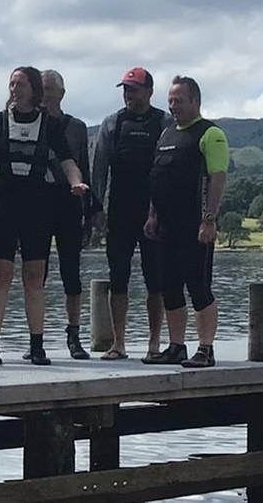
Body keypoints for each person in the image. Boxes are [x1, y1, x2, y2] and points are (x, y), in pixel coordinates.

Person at [0, 66, 88, 366]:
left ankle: (37, 346)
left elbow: (68, 162)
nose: (14, 89)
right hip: (3, 203)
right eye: (11, 84)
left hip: (36, 205)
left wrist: (76, 183)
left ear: (34, 90)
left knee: (33, 277)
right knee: (0, 275)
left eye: (21, 84)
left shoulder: (50, 125)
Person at [143, 76, 229, 368]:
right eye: (170, 100)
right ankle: (176, 346)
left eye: (179, 100)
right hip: (166, 225)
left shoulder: (210, 134)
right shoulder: (166, 135)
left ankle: (206, 348)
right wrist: (152, 215)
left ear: (196, 101)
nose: (173, 105)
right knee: (169, 286)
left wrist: (209, 219)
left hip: (195, 225)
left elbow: (217, 177)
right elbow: (157, 178)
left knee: (199, 286)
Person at [91, 67, 170, 361]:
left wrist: (160, 211)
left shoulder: (164, 122)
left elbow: (169, 168)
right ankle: (118, 344)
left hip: (154, 212)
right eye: (125, 89)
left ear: (149, 91)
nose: (129, 95)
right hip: (120, 210)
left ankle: (153, 343)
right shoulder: (112, 123)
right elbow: (99, 168)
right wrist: (96, 207)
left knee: (155, 279)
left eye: (134, 89)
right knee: (118, 277)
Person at [37, 69, 94, 359]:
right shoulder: (30, 122)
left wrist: (91, 210)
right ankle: (37, 339)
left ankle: (74, 335)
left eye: (49, 89)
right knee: (37, 273)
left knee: (71, 273)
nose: (45, 95)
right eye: (41, 89)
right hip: (37, 203)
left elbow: (84, 166)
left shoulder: (77, 127)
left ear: (62, 93)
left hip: (70, 200)